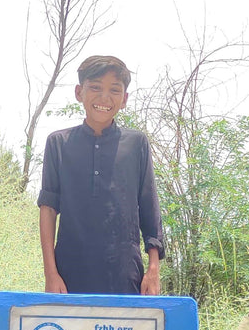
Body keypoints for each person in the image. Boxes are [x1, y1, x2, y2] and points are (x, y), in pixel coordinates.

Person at [37, 54, 164, 295]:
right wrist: (51, 274)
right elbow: (48, 209)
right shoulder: (58, 143)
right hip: (69, 275)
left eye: (114, 90)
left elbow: (149, 207)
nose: (104, 98)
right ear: (79, 92)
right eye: (95, 87)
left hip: (126, 276)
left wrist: (153, 269)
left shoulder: (136, 144)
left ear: (124, 99)